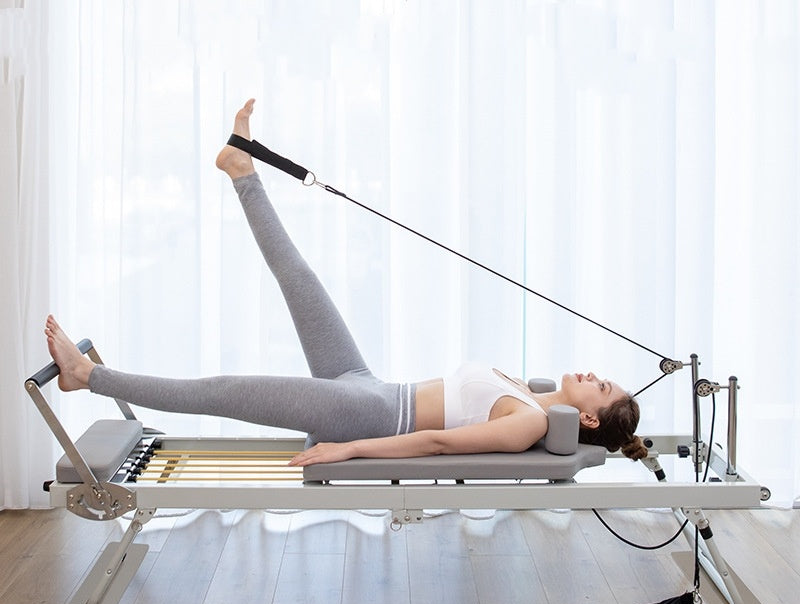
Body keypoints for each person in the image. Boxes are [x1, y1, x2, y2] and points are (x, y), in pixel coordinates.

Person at [44, 99, 647, 468]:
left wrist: (349, 449)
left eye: (601, 387)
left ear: (590, 420)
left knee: (223, 390)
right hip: (367, 386)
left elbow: (438, 446)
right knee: (299, 277)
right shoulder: (535, 393)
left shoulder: (532, 422)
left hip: (366, 415)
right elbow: (532, 405)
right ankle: (241, 167)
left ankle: (87, 377)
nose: (594, 375)